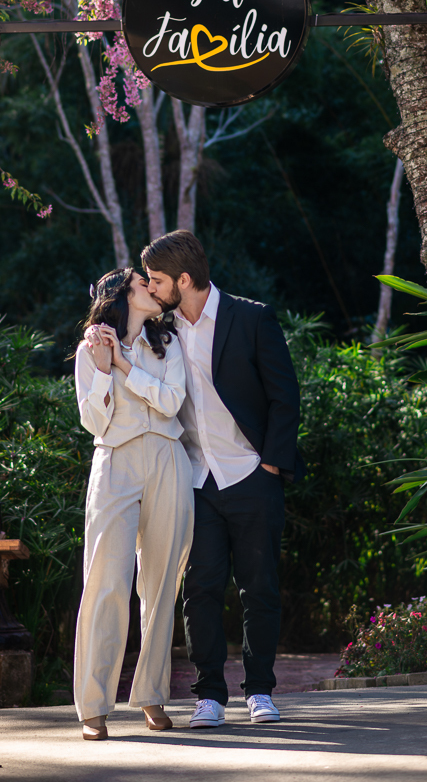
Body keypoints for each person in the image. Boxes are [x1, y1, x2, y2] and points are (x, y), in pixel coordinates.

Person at [141, 230, 301, 729]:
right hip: (194, 480)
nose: (150, 288)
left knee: (259, 589)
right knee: (201, 588)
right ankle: (209, 694)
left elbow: (284, 395)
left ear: (183, 280)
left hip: (251, 474)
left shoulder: (251, 317)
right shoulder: (159, 329)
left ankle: (260, 692)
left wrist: (271, 463)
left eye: (157, 279)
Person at [72, 267, 194, 741]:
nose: (153, 286)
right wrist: (104, 367)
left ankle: (151, 694)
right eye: (145, 283)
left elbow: (171, 402)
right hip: (115, 460)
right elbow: (94, 422)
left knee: (162, 584)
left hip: (167, 457)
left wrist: (124, 366)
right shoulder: (90, 349)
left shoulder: (169, 343)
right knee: (106, 581)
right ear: (125, 294)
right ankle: (94, 703)